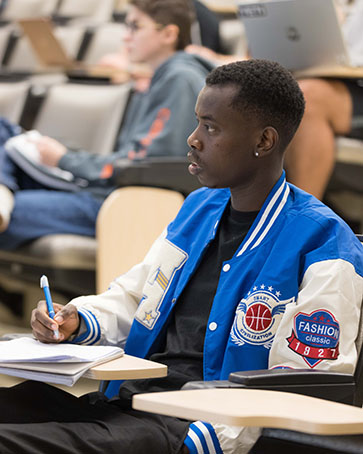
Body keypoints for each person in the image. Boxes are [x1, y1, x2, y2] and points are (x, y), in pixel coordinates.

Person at [0, 59, 362, 454]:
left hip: (190, 431)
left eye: (211, 127)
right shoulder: (198, 208)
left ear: (263, 142)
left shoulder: (323, 241)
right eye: (197, 123)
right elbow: (138, 298)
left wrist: (202, 441)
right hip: (127, 406)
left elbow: (301, 382)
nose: (193, 139)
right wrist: (77, 319)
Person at [0, 0, 214, 250]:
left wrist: (65, 159)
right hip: (104, 191)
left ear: (168, 34)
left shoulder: (179, 80)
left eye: (135, 26)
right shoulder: (160, 79)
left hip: (120, 202)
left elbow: (140, 165)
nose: (125, 37)